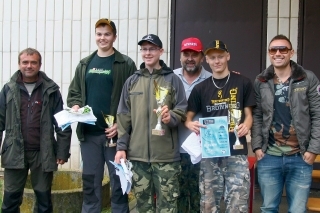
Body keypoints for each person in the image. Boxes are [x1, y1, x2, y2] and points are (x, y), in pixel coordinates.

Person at [67, 19, 136, 213]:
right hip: (89, 134)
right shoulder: (85, 64)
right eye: (99, 34)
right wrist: (76, 105)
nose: (102, 38)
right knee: (90, 181)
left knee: (119, 182)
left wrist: (121, 126)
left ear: (114, 37)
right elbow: (74, 93)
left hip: (115, 137)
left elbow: (134, 100)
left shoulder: (126, 64)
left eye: (107, 34)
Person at [115, 34, 187, 212]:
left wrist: (171, 117)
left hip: (166, 158)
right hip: (138, 157)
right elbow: (123, 116)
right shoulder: (132, 81)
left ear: (161, 51)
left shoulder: (172, 80)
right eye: (144, 49)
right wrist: (121, 147)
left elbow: (182, 109)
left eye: (152, 49)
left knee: (168, 206)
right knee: (142, 207)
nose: (148, 53)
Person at [251, 34, 320, 213]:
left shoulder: (307, 78)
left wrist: (313, 149)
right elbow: (257, 116)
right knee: (268, 209)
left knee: (297, 210)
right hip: (269, 156)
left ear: (291, 52)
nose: (278, 53)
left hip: (300, 156)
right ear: (269, 53)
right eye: (274, 49)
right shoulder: (261, 81)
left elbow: (318, 115)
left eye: (283, 49)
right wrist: (258, 147)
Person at [185, 40, 255, 212]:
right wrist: (190, 124)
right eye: (213, 57)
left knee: (237, 205)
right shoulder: (200, 88)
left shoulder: (243, 82)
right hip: (210, 154)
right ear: (206, 60)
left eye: (221, 57)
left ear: (228, 56)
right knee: (208, 205)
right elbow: (188, 117)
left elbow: (249, 116)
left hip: (236, 152)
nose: (217, 61)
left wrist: (246, 126)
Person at [0, 48, 72, 213]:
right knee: (10, 200)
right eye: (25, 62)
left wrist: (62, 152)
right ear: (19, 64)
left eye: (33, 62)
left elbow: (62, 123)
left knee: (44, 201)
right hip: (14, 151)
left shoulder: (51, 90)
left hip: (43, 153)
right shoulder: (8, 89)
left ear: (40, 65)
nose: (29, 66)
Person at [173, 37, 211, 213]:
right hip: (174, 149)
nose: (190, 58)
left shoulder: (212, 79)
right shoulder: (170, 78)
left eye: (194, 55)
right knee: (177, 196)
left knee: (200, 196)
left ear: (202, 57)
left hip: (203, 150)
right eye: (186, 54)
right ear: (180, 56)